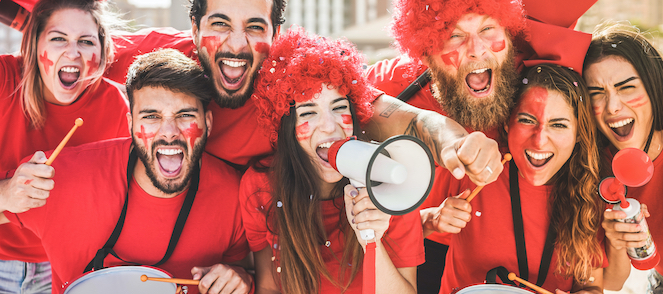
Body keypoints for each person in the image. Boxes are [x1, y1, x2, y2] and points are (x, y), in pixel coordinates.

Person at [365, 0, 598, 291]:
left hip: (513, 249)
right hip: (422, 241)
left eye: (488, 29)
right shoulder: (400, 83)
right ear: (425, 54)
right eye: (454, 35)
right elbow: (342, 101)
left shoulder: (530, 62)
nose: (476, 49)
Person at [0, 49, 252, 294]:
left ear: (207, 123)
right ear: (131, 123)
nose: (169, 132)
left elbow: (243, 268)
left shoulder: (233, 194)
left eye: (184, 115)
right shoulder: (63, 177)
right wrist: (7, 193)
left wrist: (242, 279)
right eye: (151, 116)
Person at [240, 27, 424, 294]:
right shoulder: (260, 187)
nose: (329, 127)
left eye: (339, 108)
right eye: (308, 112)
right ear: (286, 127)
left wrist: (371, 242)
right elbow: (269, 288)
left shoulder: (391, 187)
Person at [422, 64, 605, 293]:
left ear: (579, 133)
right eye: (527, 120)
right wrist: (431, 219)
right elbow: (396, 234)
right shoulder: (474, 166)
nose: (539, 141)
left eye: (558, 125)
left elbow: (592, 285)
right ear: (507, 123)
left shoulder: (589, 192)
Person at [0, 0, 130, 292]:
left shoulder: (118, 108)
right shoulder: (3, 79)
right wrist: (6, 194)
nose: (73, 52)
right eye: (58, 39)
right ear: (34, 44)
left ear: (102, 50)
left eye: (86, 41)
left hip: (69, 269)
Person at [583, 22, 663, 292]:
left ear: (654, 87)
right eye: (596, 93)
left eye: (626, 87)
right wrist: (617, 243)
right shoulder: (594, 171)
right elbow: (612, 283)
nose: (613, 107)